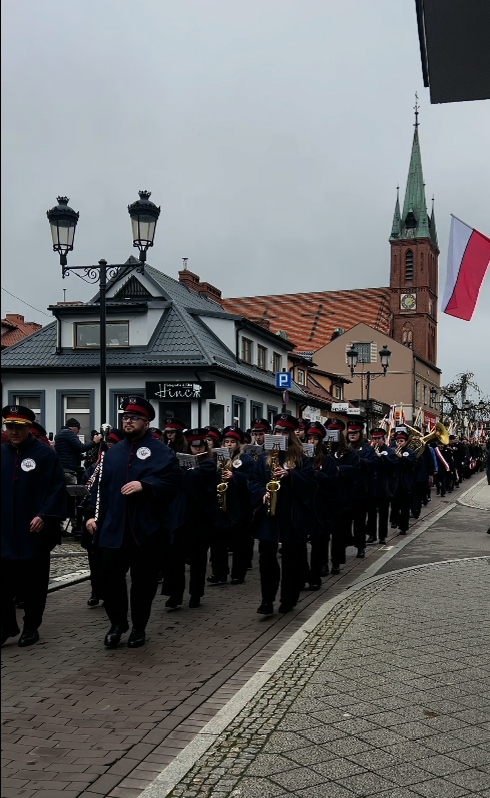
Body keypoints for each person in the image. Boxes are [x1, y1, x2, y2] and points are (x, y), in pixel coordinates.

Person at [85, 397, 182, 648]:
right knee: (109, 578)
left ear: (146, 422)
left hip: (145, 529)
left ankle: (139, 627)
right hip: (113, 527)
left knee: (143, 582)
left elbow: (172, 482)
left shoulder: (161, 451)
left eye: (134, 418)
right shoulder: (113, 452)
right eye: (125, 417)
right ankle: (117, 623)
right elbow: (98, 487)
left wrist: (146, 486)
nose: (128, 421)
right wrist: (91, 515)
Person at [1, 405, 66, 647]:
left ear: (29, 428)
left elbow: (56, 489)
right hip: (5, 532)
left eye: (18, 428)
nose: (14, 432)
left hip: (34, 532)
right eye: (10, 427)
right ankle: (6, 626)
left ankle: (31, 626)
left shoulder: (46, 455)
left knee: (34, 586)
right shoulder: (1, 453)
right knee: (3, 586)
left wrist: (45, 515)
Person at [249, 413, 316, 615]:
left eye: (285, 431)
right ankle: (267, 600)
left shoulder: (302, 457)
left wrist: (291, 475)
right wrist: (262, 494)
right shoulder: (263, 458)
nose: (280, 434)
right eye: (278, 430)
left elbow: (312, 483)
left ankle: (288, 598)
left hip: (291, 514)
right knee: (266, 557)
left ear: (292, 435)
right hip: (269, 515)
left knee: (292, 559)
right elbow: (253, 481)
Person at [164, 428, 218, 609]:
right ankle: (175, 594)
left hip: (200, 516)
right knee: (174, 556)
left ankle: (196, 594)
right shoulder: (179, 462)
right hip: (180, 515)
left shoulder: (209, 464)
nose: (197, 449)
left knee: (198, 557)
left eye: (200, 445)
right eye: (193, 446)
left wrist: (184, 473)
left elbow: (195, 480)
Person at [81, 428, 125, 607]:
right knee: (93, 559)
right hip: (92, 515)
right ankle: (95, 592)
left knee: (109, 563)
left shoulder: (120, 466)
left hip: (110, 518)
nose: (109, 448)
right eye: (108, 445)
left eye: (114, 444)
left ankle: (108, 593)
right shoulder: (96, 467)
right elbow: (88, 487)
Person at [208, 425, 254, 586]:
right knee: (217, 542)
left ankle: (238, 574)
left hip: (238, 506)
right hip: (220, 506)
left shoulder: (246, 460)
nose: (228, 444)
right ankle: (219, 573)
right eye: (226, 441)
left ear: (239, 443)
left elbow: (251, 480)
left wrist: (235, 476)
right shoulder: (216, 458)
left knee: (239, 543)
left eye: (232, 441)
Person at [324, 420, 361, 574]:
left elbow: (354, 470)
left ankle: (336, 562)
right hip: (324, 497)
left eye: (336, 433)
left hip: (340, 498)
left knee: (338, 533)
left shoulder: (349, 452)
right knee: (322, 534)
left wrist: (338, 469)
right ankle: (322, 563)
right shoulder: (322, 452)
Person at [345, 420, 377, 557]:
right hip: (346, 490)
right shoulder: (344, 447)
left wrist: (361, 461)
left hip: (360, 490)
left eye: (355, 432)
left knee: (359, 521)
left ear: (360, 433)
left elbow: (373, 464)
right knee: (345, 521)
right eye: (350, 432)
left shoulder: (367, 448)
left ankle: (360, 547)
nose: (352, 435)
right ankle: (347, 541)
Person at [366, 428, 398, 544]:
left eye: (378, 439)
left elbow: (394, 465)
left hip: (384, 485)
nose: (376, 441)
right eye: (374, 439)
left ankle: (382, 536)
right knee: (371, 512)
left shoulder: (389, 451)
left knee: (384, 512)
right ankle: (371, 535)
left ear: (383, 439)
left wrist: (383, 458)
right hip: (372, 486)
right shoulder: (370, 450)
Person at [55, 418, 101, 484]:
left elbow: (68, 451)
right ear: (73, 427)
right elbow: (80, 447)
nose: (78, 431)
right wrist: (94, 442)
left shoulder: (59, 433)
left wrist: (83, 457)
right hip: (69, 470)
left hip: (61, 469)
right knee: (72, 492)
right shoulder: (69, 433)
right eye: (78, 428)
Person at [390, 429, 418, 534]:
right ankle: (394, 521)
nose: (399, 443)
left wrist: (402, 458)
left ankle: (404, 527)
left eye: (401, 441)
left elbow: (412, 464)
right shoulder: (392, 451)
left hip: (406, 482)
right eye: (398, 441)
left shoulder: (410, 452)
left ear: (406, 442)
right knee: (395, 504)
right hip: (395, 482)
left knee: (405, 506)